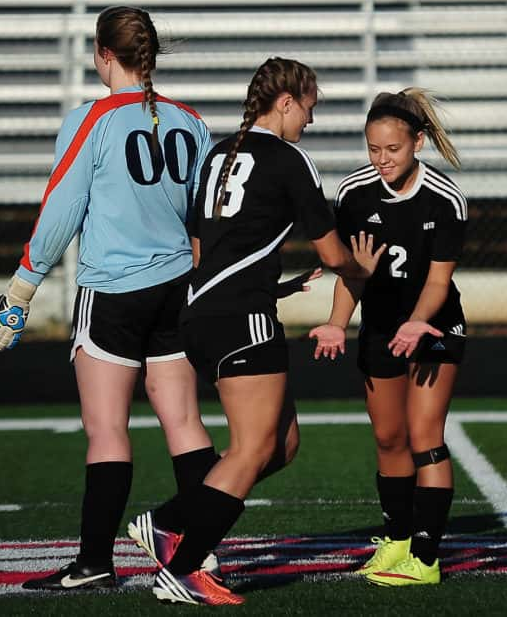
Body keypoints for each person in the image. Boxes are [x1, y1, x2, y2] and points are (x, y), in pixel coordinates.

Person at [0, 6, 219, 591]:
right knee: (185, 421)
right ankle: (201, 552)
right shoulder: (189, 120)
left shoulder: (93, 118)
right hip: (178, 287)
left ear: (103, 54)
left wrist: (22, 285)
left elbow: (62, 207)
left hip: (113, 290)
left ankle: (93, 563)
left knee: (106, 429)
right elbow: (205, 216)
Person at [135, 57, 369, 606]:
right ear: (286, 101)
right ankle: (183, 568)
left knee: (281, 446)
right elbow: (333, 253)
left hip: (203, 313)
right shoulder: (290, 159)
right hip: (241, 318)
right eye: (309, 107)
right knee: (253, 446)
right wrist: (366, 271)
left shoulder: (221, 153)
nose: (309, 120)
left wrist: (266, 285)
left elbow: (201, 246)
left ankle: (169, 521)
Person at [309, 88, 467, 587]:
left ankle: (425, 559)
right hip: (379, 329)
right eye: (374, 149)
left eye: (392, 150)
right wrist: (337, 322)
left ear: (417, 142)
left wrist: (418, 321)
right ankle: (396, 541)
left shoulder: (446, 199)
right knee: (388, 437)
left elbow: (439, 282)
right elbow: (353, 273)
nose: (382, 160)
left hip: (437, 327)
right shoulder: (354, 193)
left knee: (425, 437)